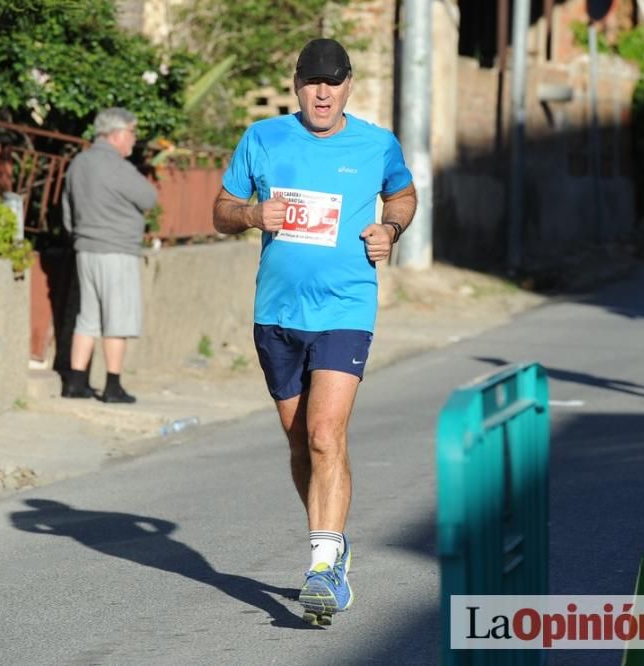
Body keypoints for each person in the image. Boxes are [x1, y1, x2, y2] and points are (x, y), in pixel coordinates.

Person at [212, 38, 417, 625]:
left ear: (349, 85)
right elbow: (221, 208)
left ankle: (323, 565)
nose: (322, 92)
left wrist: (390, 230)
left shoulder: (376, 144)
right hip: (277, 315)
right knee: (300, 441)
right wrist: (252, 214)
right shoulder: (263, 138)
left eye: (333, 81)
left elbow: (402, 195)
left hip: (346, 309)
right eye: (312, 82)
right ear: (296, 85)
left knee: (326, 434)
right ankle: (332, 542)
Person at [61, 107, 157, 403]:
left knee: (87, 317)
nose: (134, 139)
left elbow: (67, 208)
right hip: (116, 249)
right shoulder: (116, 166)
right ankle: (113, 386)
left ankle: (75, 383)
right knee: (119, 318)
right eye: (131, 133)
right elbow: (149, 197)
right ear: (116, 135)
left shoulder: (79, 162)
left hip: (85, 248)